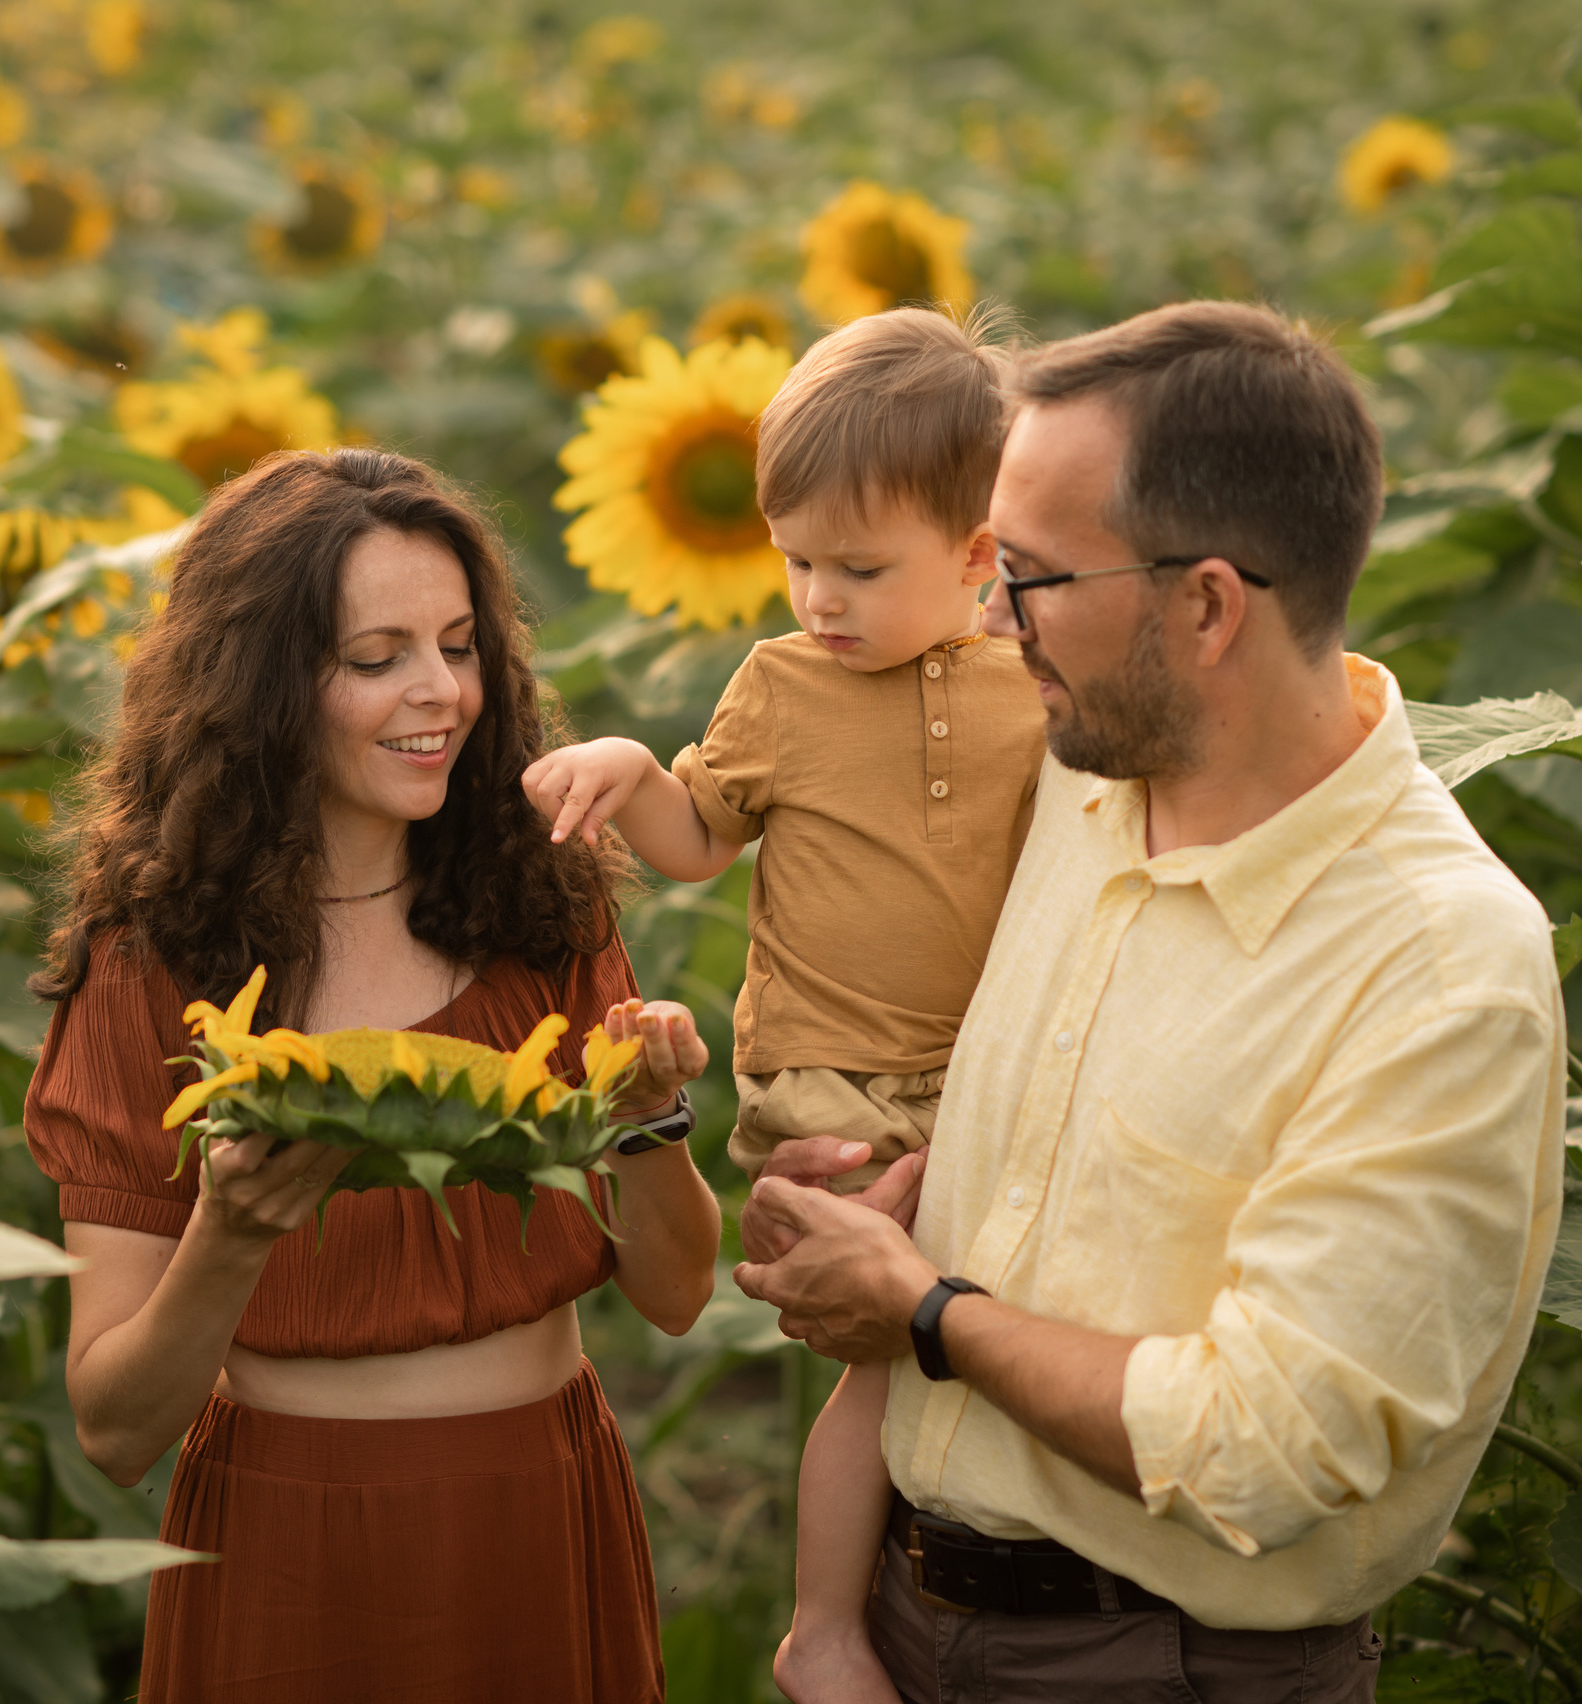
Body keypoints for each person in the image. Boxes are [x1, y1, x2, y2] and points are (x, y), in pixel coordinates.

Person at [732, 300, 1567, 1703]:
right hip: (900, 1609)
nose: (990, 616)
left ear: (1208, 605)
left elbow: (1268, 1446)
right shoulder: (1075, 772)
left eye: (1032, 576)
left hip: (1167, 1665)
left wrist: (926, 1310)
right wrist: (878, 1187)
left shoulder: (1435, 966)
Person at [24, 448, 725, 1704]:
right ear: (259, 687)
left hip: (538, 1511)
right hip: (290, 1544)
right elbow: (115, 1428)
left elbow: (674, 1295)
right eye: (375, 658)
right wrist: (230, 1235)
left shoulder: (539, 902)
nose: (439, 693)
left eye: (458, 647)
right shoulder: (147, 968)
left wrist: (647, 1120)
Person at [524, 307, 1046, 1704]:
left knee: (982, 1329)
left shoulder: (1035, 692)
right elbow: (700, 835)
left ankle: (951, 1591)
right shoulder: (784, 686)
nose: (820, 598)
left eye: (859, 570)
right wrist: (631, 769)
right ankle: (821, 1628)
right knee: (888, 1351)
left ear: (978, 558)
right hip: (830, 1078)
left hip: (981, 1073)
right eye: (797, 560)